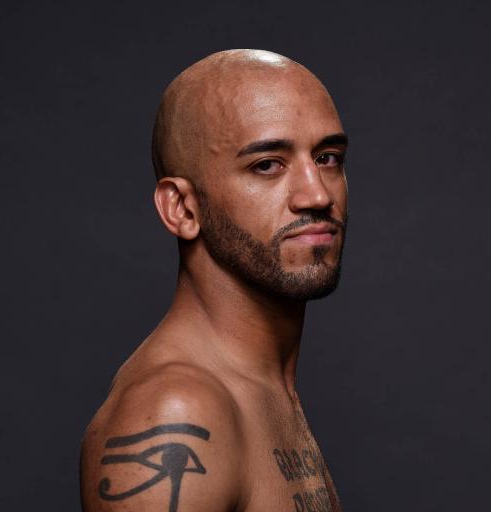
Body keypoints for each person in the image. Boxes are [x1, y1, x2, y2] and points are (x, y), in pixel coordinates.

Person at [80, 49, 348, 512]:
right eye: (267, 164)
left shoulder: (263, 388)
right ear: (182, 209)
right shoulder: (177, 412)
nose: (318, 194)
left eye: (327, 158)